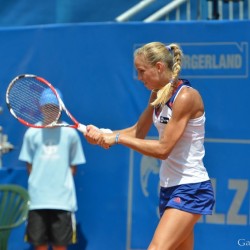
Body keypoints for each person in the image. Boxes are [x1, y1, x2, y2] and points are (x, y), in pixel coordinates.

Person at [84, 42, 215, 250]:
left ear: (160, 67)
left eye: (142, 71)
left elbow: (163, 149)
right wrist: (104, 133)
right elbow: (138, 131)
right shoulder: (157, 94)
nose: (138, 77)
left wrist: (117, 139)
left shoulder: (186, 97)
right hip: (168, 188)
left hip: (191, 188)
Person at [19, 88, 86, 250]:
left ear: (61, 109)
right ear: (41, 108)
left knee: (60, 246)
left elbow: (73, 167)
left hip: (63, 201)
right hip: (37, 200)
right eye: (47, 107)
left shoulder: (70, 134)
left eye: (54, 107)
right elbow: (30, 165)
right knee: (39, 244)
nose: (50, 111)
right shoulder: (31, 133)